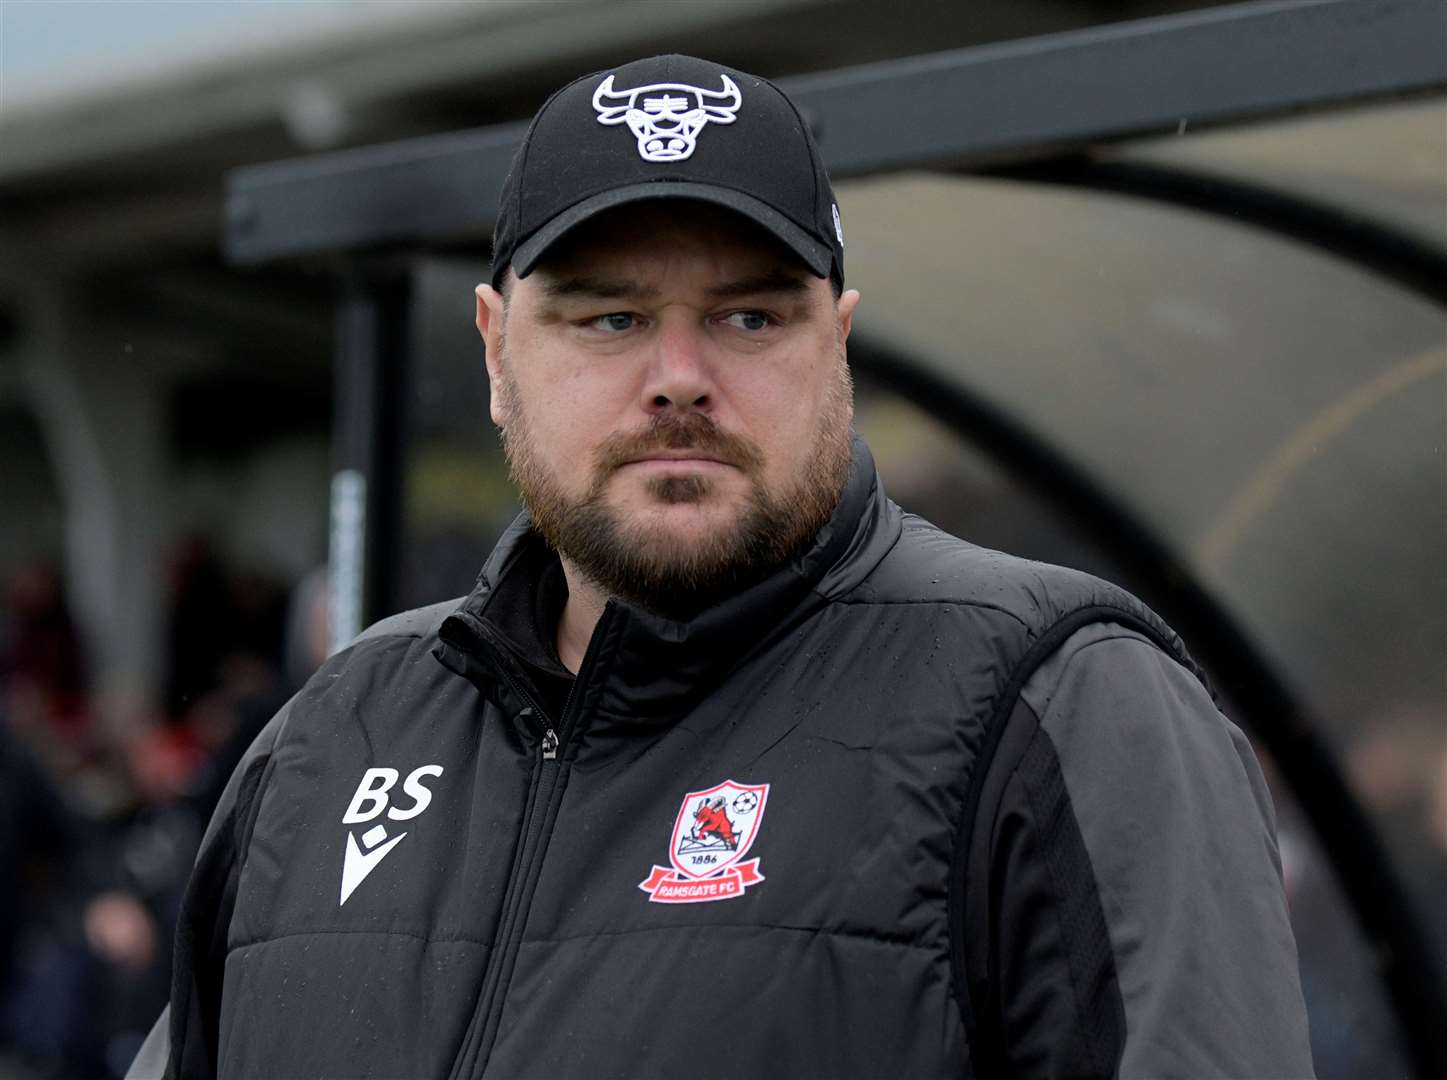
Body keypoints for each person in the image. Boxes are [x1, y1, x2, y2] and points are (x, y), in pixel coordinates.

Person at [129, 54, 1314, 1079]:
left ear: (836, 345)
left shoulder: (1058, 705)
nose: (681, 376)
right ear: (496, 351)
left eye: (751, 318)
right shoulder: (337, 735)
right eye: (610, 320)